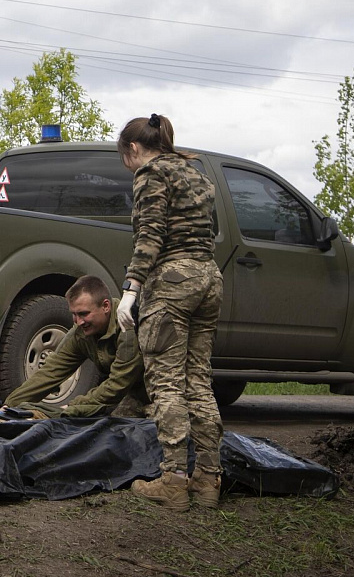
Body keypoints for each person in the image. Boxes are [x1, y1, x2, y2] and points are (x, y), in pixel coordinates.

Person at [117, 114, 224, 512]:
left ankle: (174, 482)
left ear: (133, 148)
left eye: (123, 156)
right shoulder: (197, 173)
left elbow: (151, 234)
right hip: (209, 279)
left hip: (173, 283)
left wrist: (131, 289)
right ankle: (208, 480)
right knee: (199, 380)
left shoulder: (151, 174)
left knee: (166, 384)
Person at [0, 275, 145, 420]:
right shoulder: (81, 334)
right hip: (131, 391)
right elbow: (51, 372)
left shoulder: (127, 325)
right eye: (74, 314)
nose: (79, 321)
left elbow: (119, 383)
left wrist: (73, 407)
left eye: (83, 314)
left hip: (158, 388)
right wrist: (10, 404)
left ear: (106, 306)